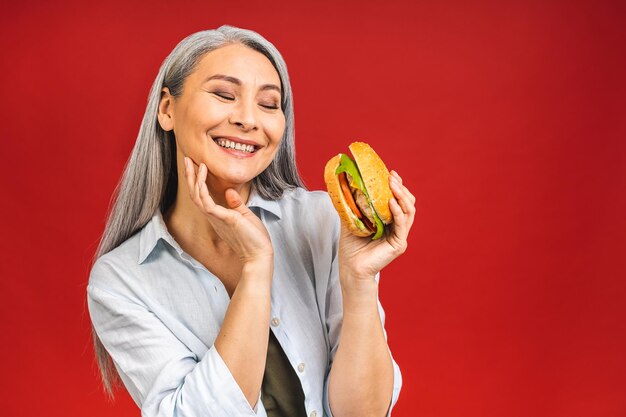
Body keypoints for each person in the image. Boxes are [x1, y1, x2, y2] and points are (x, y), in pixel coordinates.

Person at [87, 25, 415, 417]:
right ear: (167, 109)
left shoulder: (323, 222)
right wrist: (256, 269)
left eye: (269, 104)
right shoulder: (122, 280)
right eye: (224, 95)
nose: (248, 119)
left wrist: (359, 282)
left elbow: (361, 413)